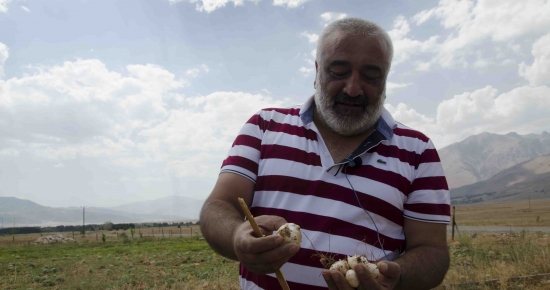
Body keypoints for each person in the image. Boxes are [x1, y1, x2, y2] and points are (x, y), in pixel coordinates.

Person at [200, 17, 450, 290]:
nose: (353, 88)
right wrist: (237, 236)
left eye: (370, 75)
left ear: (386, 80)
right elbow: (218, 207)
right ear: (317, 71)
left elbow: (433, 253)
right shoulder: (264, 126)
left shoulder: (418, 151)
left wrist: (396, 276)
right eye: (338, 71)